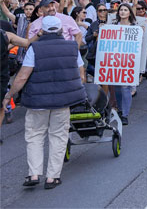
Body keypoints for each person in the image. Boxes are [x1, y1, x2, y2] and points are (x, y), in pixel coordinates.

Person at [2, 16, 86, 189]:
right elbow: (81, 75)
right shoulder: (72, 47)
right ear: (61, 29)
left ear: (44, 31)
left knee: (34, 135)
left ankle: (33, 173)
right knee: (58, 136)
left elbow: (23, 76)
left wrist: (9, 95)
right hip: (63, 101)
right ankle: (52, 177)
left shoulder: (35, 48)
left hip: (37, 101)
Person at [113, 4, 137, 125]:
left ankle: (125, 114)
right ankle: (121, 110)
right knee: (117, 87)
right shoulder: (113, 27)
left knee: (125, 87)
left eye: (125, 10)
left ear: (129, 13)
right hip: (116, 60)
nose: (123, 12)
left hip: (128, 61)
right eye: (121, 10)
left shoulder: (134, 28)